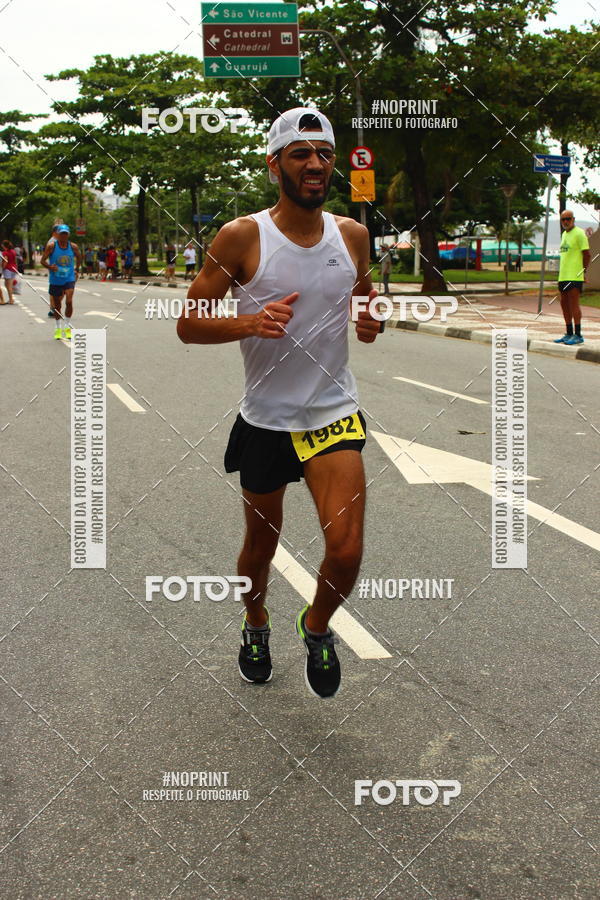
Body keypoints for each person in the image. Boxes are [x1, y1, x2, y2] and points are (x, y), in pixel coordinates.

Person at [177, 107, 381, 699]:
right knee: (260, 547)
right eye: (300, 154)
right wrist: (247, 322)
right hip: (266, 419)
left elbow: (361, 296)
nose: (315, 164)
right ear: (275, 166)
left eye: (323, 154)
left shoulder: (352, 235)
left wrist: (369, 320)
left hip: (331, 413)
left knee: (345, 550)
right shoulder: (242, 237)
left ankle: (316, 626)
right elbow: (189, 323)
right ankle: (256, 623)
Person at [553, 210, 591, 345]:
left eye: (568, 219)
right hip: (563, 276)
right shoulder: (564, 234)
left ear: (573, 219)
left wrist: (583, 272)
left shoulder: (579, 233)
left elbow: (587, 255)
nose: (565, 222)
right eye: (563, 219)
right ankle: (568, 333)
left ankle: (578, 334)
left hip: (575, 276)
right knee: (564, 304)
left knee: (574, 304)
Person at [40, 224, 81, 340]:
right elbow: (43, 260)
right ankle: (58, 328)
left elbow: (79, 257)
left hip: (69, 278)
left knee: (69, 301)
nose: (63, 236)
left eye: (65, 234)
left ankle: (67, 327)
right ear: (57, 234)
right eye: (61, 233)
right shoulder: (51, 246)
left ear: (68, 235)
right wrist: (50, 267)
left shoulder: (73, 247)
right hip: (55, 279)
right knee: (57, 304)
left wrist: (77, 269)